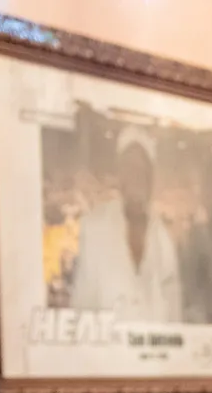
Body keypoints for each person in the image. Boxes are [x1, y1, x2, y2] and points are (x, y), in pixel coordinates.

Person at [70, 125, 182, 322]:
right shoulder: (95, 227)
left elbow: (174, 314)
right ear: (120, 174)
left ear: (151, 177)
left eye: (141, 168)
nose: (135, 176)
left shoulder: (164, 238)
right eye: (129, 167)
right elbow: (81, 308)